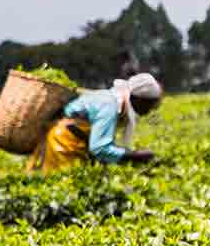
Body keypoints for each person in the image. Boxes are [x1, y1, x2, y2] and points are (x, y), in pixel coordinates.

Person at [26, 72, 163, 174]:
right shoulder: (110, 106)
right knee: (62, 182)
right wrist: (135, 156)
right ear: (138, 99)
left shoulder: (116, 102)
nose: (150, 110)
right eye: (149, 105)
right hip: (64, 143)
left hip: (75, 142)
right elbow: (99, 148)